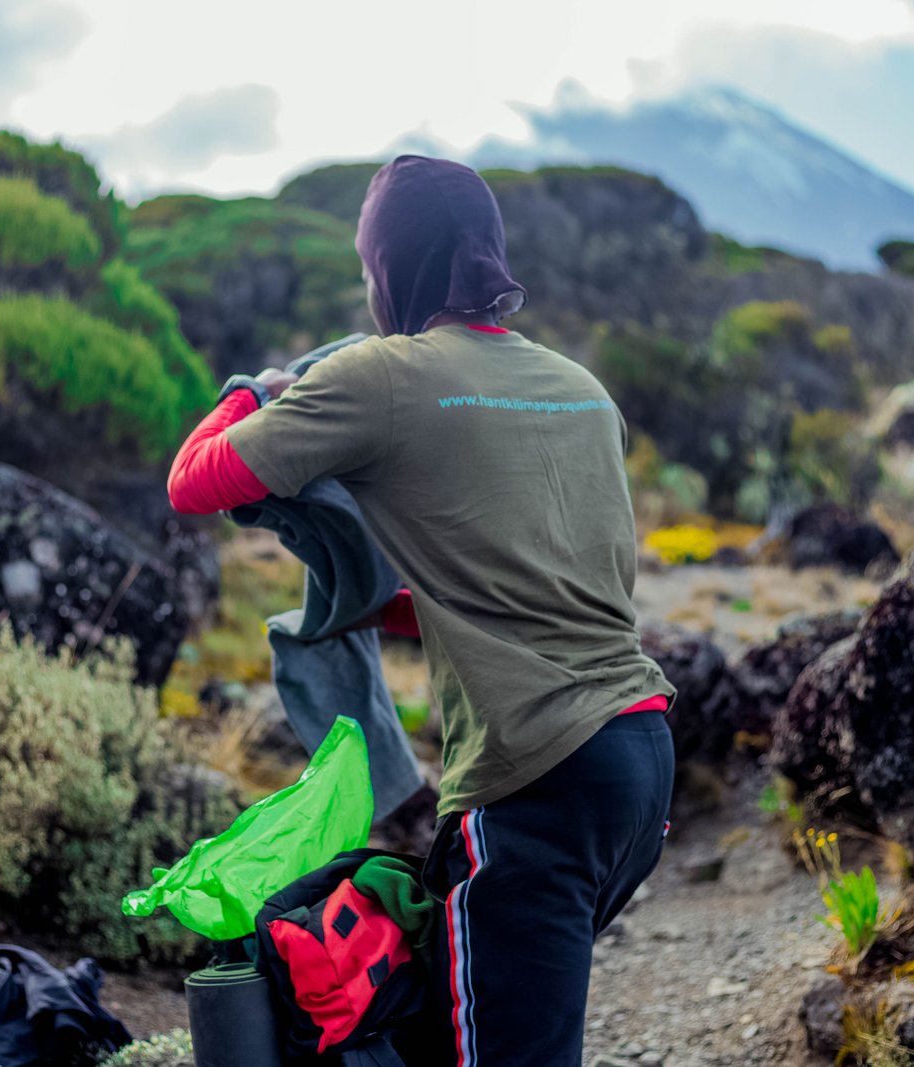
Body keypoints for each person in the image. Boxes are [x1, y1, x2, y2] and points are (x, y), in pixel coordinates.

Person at [167, 155, 675, 1067]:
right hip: (638, 765)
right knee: (460, 1021)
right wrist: (373, 609)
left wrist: (253, 390)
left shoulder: (381, 375)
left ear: (391, 267)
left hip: (533, 780)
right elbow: (528, 592)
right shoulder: (583, 389)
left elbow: (195, 480)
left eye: (371, 269)